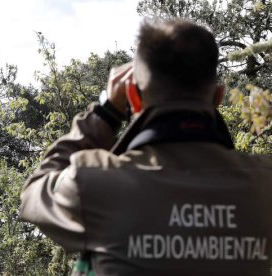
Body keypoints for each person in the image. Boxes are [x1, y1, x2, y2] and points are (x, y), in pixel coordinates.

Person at [19, 19, 272, 276]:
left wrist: (106, 113)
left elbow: (33, 195)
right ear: (218, 97)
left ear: (133, 97)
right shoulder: (264, 184)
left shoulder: (93, 182)